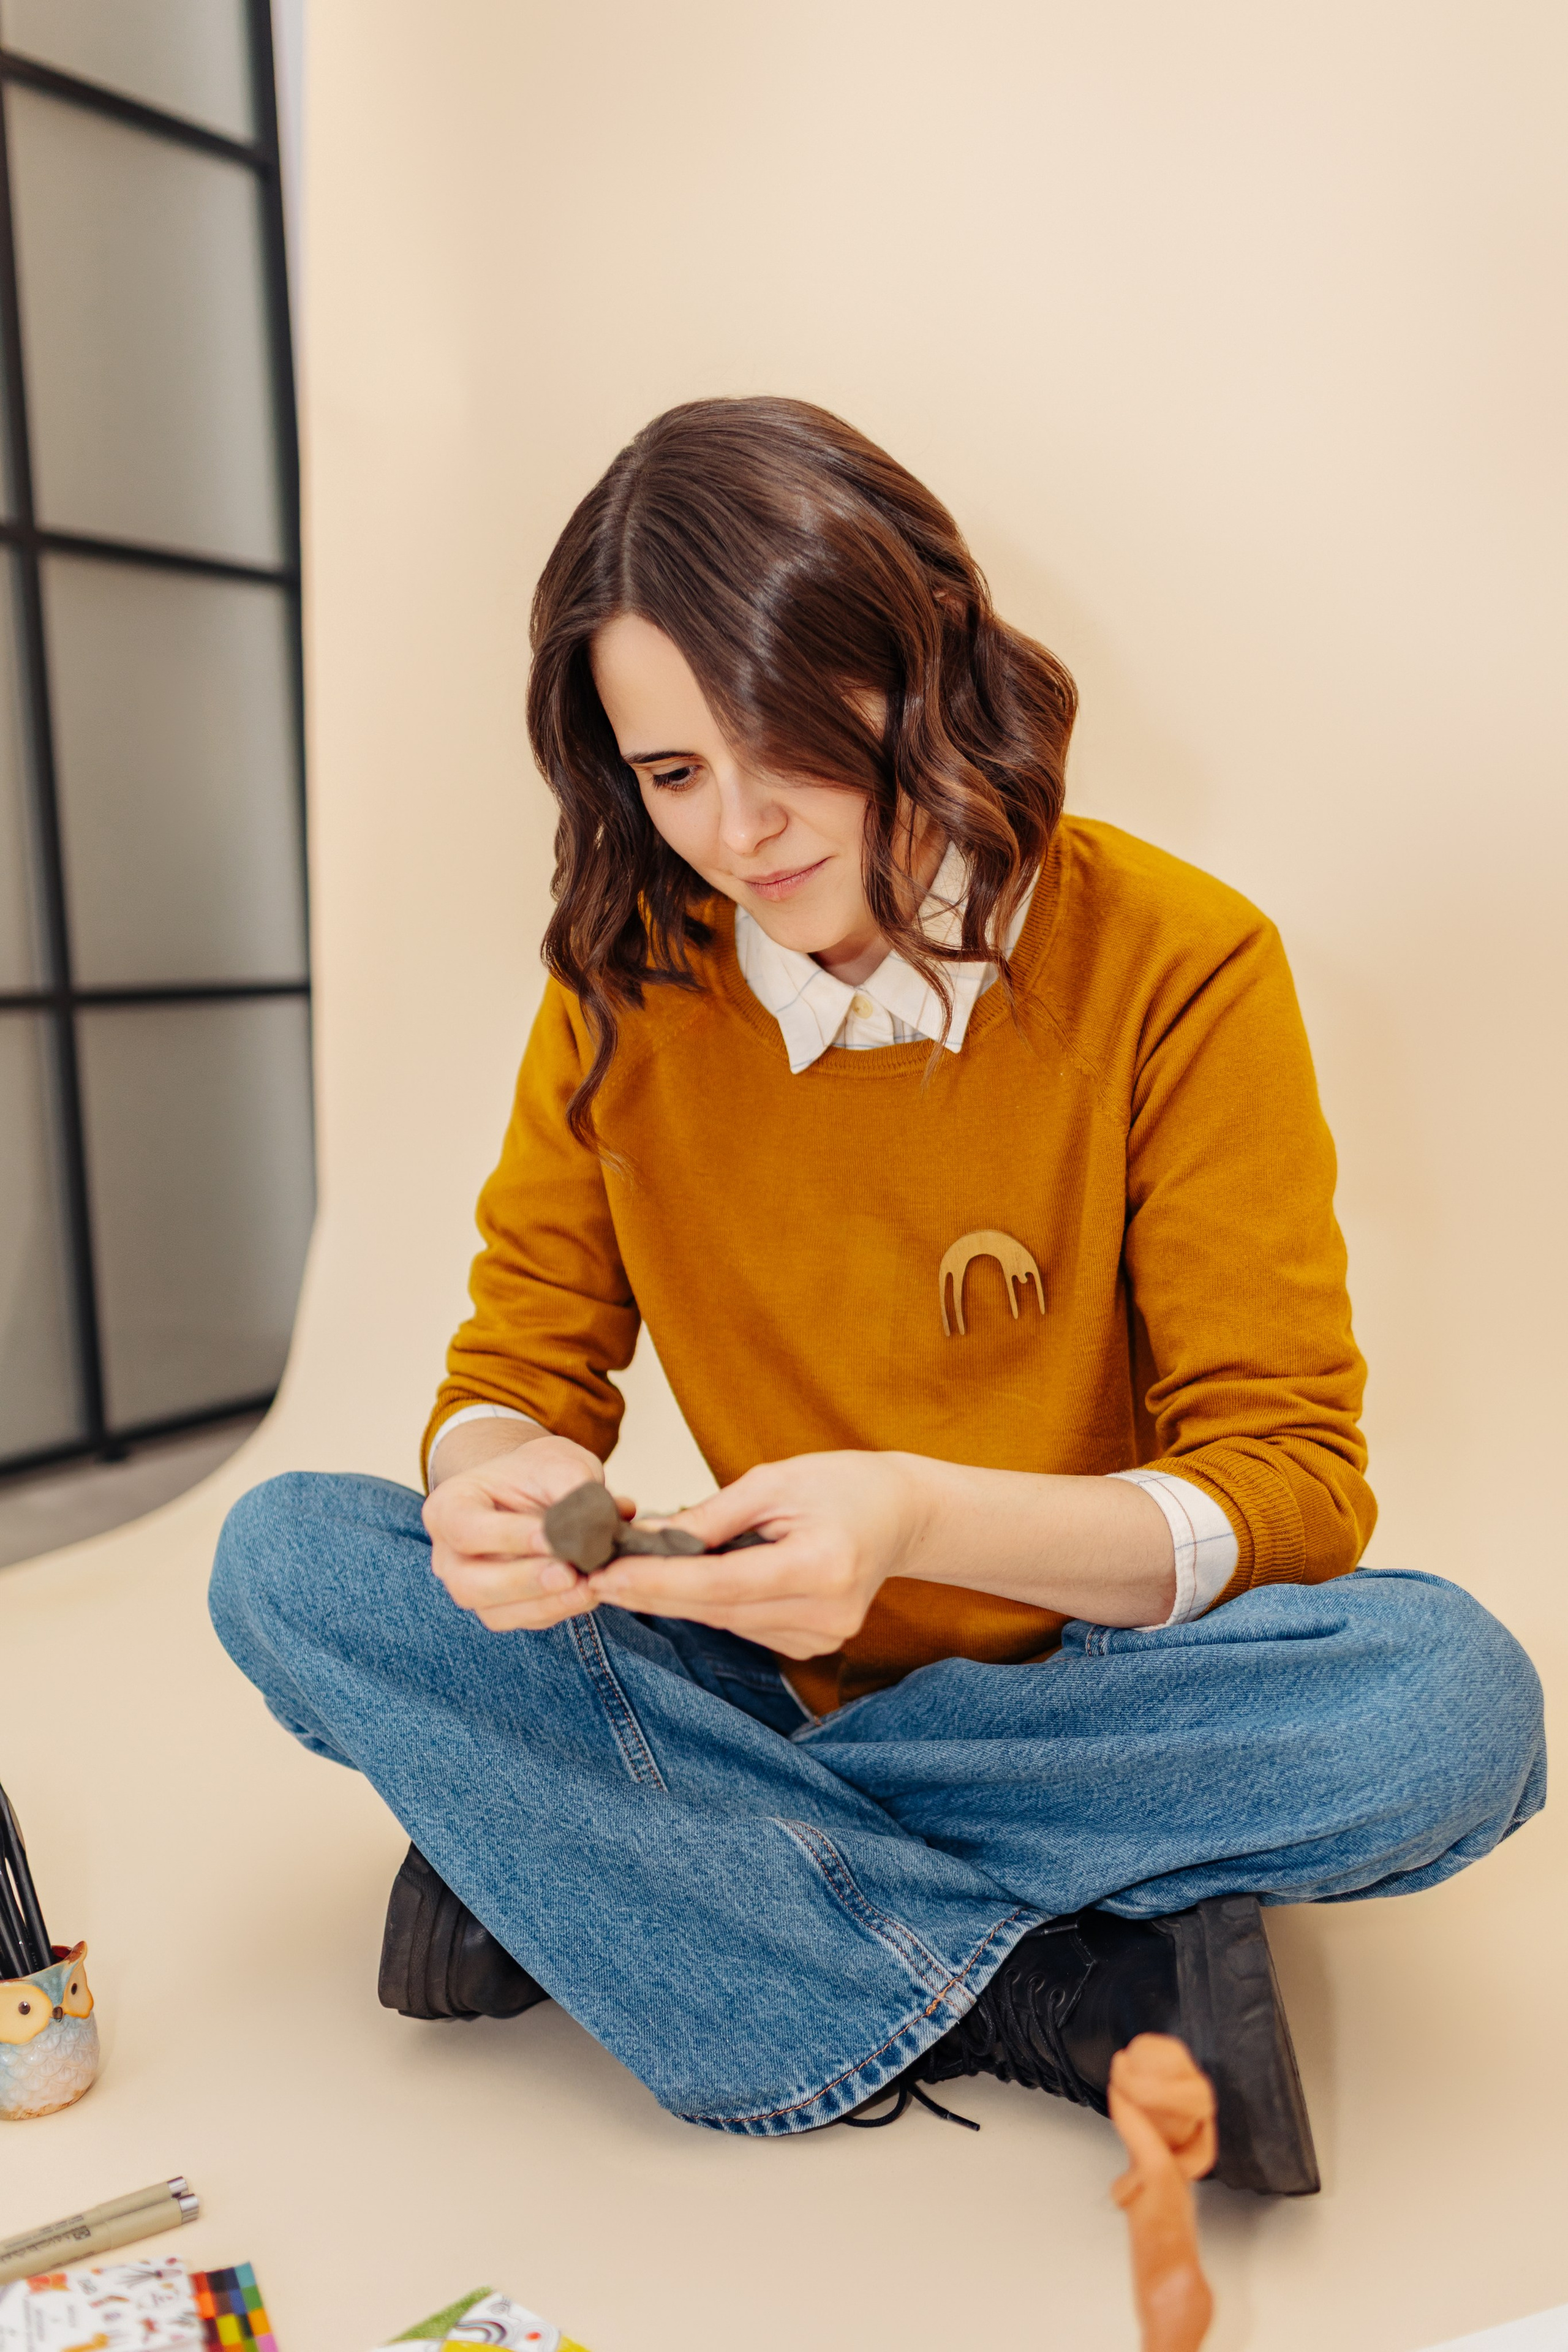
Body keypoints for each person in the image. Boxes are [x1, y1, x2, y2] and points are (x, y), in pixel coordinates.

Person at [210, 397, 1545, 2196]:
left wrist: (914, 1513)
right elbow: (520, 1356)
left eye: (781, 736)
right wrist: (490, 1484)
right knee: (290, 1557)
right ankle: (1033, 1988)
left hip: (1100, 1678)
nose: (741, 828)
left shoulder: (1183, 964)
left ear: (916, 667)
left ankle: (611, 1859)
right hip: (752, 1657)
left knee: (1445, 1709)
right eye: (671, 776)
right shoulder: (622, 988)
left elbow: (1291, 1485)